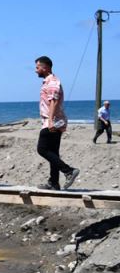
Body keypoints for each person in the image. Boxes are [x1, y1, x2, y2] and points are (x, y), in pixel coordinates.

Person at [35, 56, 79, 190]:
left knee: (42, 149)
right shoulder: (48, 81)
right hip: (55, 120)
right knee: (53, 152)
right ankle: (54, 182)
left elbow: (53, 101)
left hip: (53, 121)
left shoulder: (53, 82)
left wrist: (50, 121)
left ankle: (69, 171)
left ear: (45, 67)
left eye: (37, 67)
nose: (35, 71)